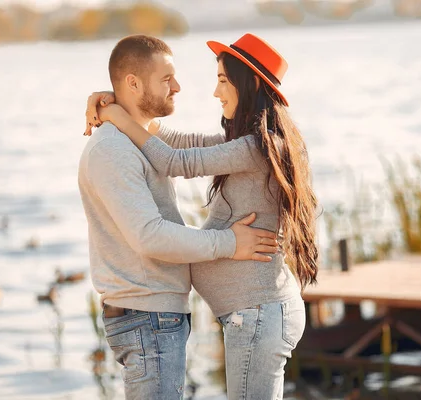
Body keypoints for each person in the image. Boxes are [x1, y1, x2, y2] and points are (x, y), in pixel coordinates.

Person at [85, 33, 319, 400]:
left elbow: (175, 161)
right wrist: (117, 105)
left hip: (257, 313)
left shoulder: (258, 147)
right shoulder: (245, 143)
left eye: (223, 80)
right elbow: (178, 143)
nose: (215, 92)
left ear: (251, 83)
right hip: (251, 314)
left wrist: (116, 113)